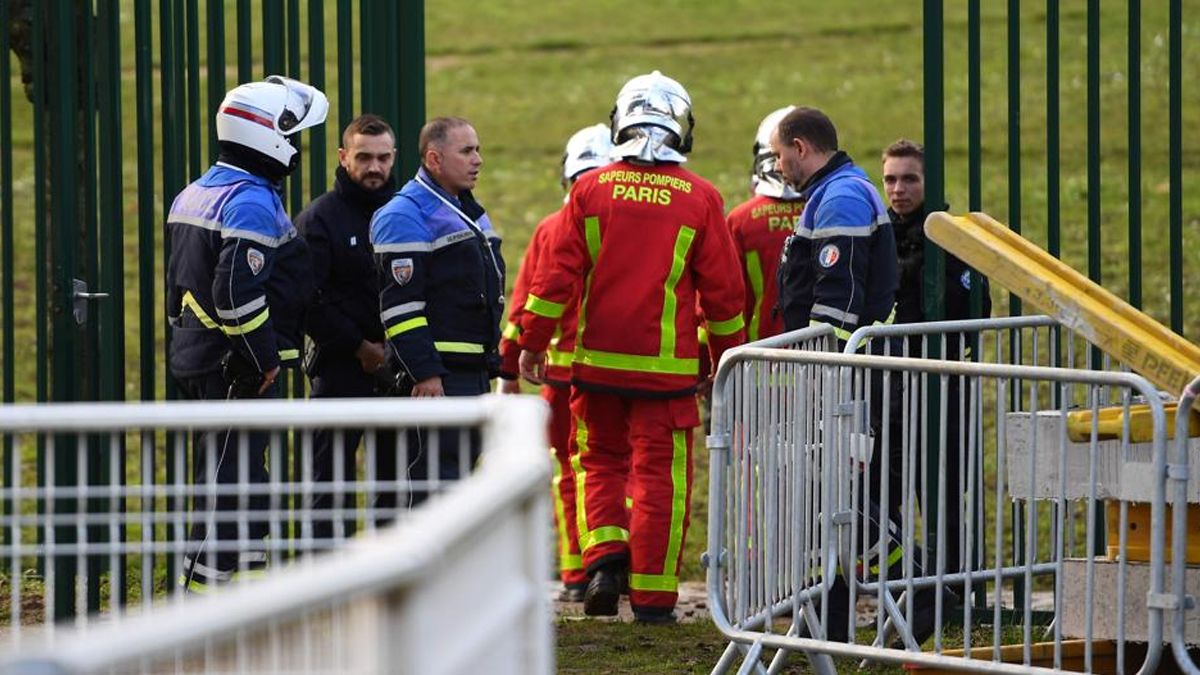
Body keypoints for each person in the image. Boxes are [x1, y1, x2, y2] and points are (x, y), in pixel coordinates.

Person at [518, 71, 746, 624]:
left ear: (622, 119)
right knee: (659, 481)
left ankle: (605, 559)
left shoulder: (590, 190)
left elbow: (554, 279)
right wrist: (726, 358)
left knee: (597, 463)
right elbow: (724, 295)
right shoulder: (701, 198)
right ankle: (653, 601)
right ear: (679, 126)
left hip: (594, 368)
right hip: (666, 376)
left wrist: (531, 342)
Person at [166, 76, 328, 591]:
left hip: (200, 356)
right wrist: (262, 359)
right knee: (232, 485)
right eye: (293, 135)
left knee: (238, 481)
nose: (298, 147)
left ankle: (241, 595)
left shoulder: (197, 191)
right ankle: (203, 606)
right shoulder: (251, 201)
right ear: (267, 134)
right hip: (235, 367)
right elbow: (236, 294)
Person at [499, 123, 614, 603]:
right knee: (617, 469)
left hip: (557, 377)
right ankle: (616, 560)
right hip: (614, 372)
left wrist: (508, 369)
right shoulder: (629, 223)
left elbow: (526, 300)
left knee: (572, 473)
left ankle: (575, 571)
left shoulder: (552, 228)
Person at [370, 116, 503, 497]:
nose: (477, 159)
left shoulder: (466, 208)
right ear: (434, 159)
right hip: (437, 380)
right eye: (466, 151)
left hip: (470, 374)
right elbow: (400, 308)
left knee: (457, 487)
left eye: (477, 149)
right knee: (429, 491)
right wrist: (425, 372)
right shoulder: (404, 214)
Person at [882, 138, 991, 579]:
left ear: (930, 182)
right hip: (886, 390)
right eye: (890, 178)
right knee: (880, 499)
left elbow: (978, 309)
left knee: (942, 497)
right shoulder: (877, 236)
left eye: (910, 178)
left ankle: (950, 589)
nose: (898, 188)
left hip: (943, 389)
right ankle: (895, 586)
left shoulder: (954, 238)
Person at [295, 114, 397, 546]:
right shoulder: (319, 218)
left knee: (395, 485)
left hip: (397, 368)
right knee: (328, 484)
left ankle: (390, 584)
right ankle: (324, 583)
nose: (374, 168)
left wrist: (391, 349)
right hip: (339, 368)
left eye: (383, 158)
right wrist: (359, 346)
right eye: (364, 157)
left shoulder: (405, 213)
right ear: (343, 157)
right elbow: (307, 297)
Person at [725, 106, 805, 342]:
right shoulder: (832, 210)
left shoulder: (741, 220)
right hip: (822, 366)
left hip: (758, 365)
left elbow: (729, 298)